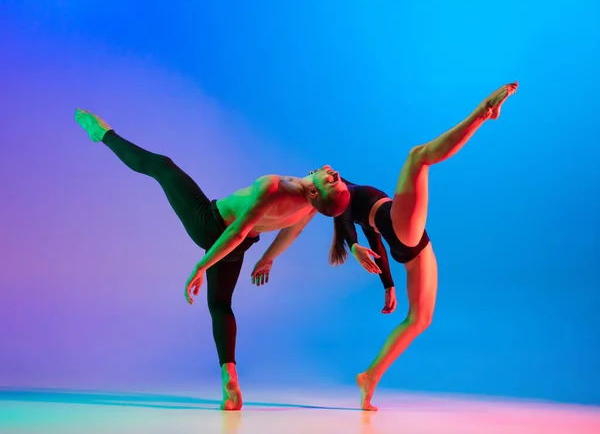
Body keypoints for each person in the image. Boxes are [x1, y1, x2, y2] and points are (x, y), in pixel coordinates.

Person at [74, 108, 350, 410]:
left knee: (162, 167)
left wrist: (200, 266)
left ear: (314, 190)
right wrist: (268, 259)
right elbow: (289, 234)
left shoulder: (274, 187)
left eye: (333, 180)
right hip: (240, 246)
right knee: (220, 306)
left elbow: (236, 230)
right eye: (338, 179)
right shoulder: (310, 207)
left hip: (208, 224)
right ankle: (230, 381)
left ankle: (103, 134)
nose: (334, 173)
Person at [327, 82, 518, 411]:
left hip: (410, 244)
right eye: (322, 176)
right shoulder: (341, 199)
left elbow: (372, 238)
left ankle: (369, 377)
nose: (327, 171)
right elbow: (342, 214)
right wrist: (354, 246)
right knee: (417, 157)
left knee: (420, 318)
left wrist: (388, 284)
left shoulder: (345, 194)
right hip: (401, 228)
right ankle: (482, 113)